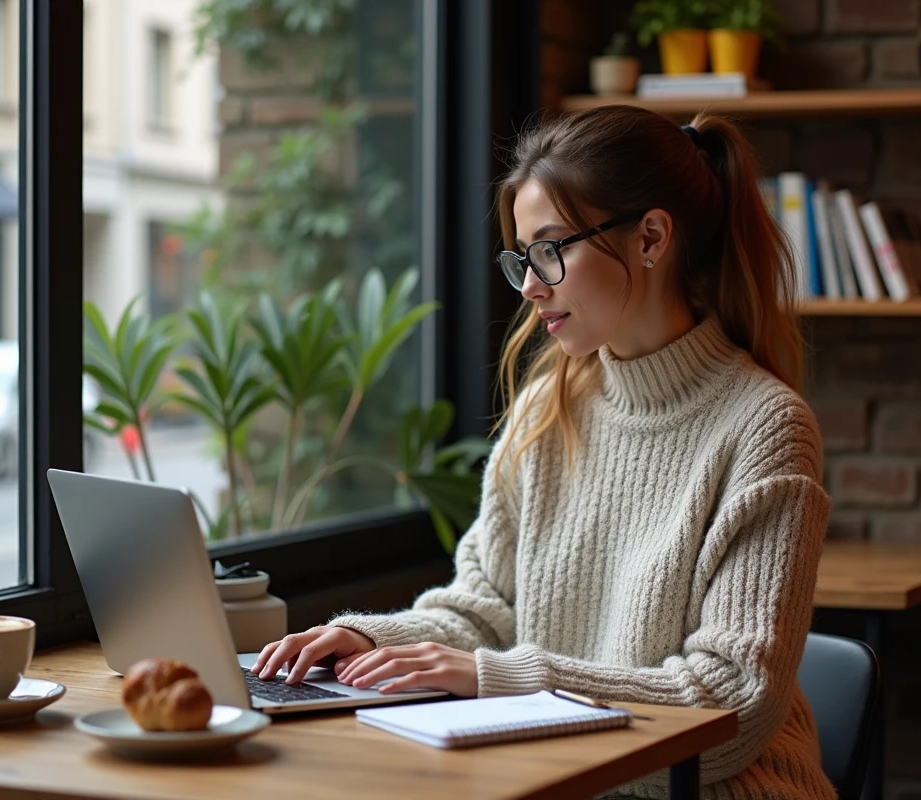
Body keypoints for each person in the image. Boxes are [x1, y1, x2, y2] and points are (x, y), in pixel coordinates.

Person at [252, 105, 835, 799]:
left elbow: (731, 704)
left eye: (552, 249)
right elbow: (484, 609)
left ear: (651, 237)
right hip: (560, 780)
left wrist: (499, 678)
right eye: (522, 257)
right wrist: (371, 641)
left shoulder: (766, 427)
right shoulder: (548, 410)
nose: (530, 285)